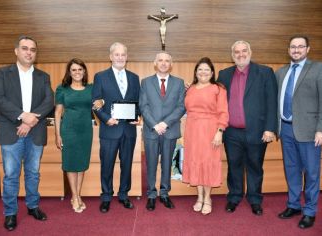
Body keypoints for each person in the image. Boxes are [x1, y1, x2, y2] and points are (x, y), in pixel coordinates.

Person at [0, 35, 54, 231]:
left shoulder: (43, 76)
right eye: (25, 48)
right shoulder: (2, 73)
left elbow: (48, 102)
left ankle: (33, 206)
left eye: (33, 49)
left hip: (34, 131)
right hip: (11, 131)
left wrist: (30, 121)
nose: (29, 52)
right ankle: (10, 213)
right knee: (11, 174)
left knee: (33, 173)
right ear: (16, 51)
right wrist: (21, 116)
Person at [276, 35, 322, 229]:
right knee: (291, 170)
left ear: (308, 49)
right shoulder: (281, 72)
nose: (296, 50)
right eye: (293, 47)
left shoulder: (320, 68)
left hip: (310, 131)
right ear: (288, 49)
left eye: (301, 46)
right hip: (285, 128)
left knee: (311, 172)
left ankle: (310, 211)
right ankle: (293, 205)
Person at [217, 40, 278, 216]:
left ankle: (255, 199)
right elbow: (215, 98)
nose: (241, 54)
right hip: (232, 132)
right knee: (234, 165)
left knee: (255, 166)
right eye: (237, 52)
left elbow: (271, 102)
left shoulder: (265, 72)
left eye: (244, 51)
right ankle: (234, 197)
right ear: (232, 55)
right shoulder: (224, 74)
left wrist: (269, 128)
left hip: (257, 131)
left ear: (250, 52)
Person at [92, 42, 140, 213]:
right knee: (107, 164)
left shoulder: (134, 78)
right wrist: (105, 119)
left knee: (126, 164)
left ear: (127, 57)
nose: (120, 57)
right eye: (117, 54)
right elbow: (95, 103)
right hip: (109, 129)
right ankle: (106, 196)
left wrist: (138, 116)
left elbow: (138, 102)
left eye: (123, 55)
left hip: (129, 130)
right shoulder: (100, 76)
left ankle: (123, 195)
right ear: (110, 56)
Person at [139, 51, 185, 211]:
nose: (164, 63)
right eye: (161, 60)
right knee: (150, 163)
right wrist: (155, 124)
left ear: (171, 64)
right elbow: (143, 106)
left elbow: (181, 107)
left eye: (167, 61)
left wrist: (165, 123)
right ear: (155, 63)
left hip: (170, 130)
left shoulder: (179, 83)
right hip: (151, 130)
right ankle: (151, 194)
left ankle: (164, 193)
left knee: (167, 163)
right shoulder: (145, 82)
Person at [182, 57, 229, 215]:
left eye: (206, 70)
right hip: (192, 130)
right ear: (196, 72)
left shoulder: (218, 89)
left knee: (208, 163)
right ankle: (199, 197)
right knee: (196, 162)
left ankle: (208, 198)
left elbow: (223, 112)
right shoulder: (190, 89)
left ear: (212, 72)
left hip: (210, 130)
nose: (203, 72)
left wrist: (220, 131)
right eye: (200, 69)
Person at [54, 58, 93, 213]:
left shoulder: (91, 88)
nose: (77, 72)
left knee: (82, 164)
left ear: (84, 71)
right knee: (70, 164)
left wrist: (101, 102)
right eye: (74, 70)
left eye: (80, 69)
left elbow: (98, 104)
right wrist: (57, 135)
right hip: (68, 130)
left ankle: (78, 194)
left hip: (85, 130)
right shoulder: (62, 89)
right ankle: (75, 196)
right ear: (69, 73)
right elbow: (57, 113)